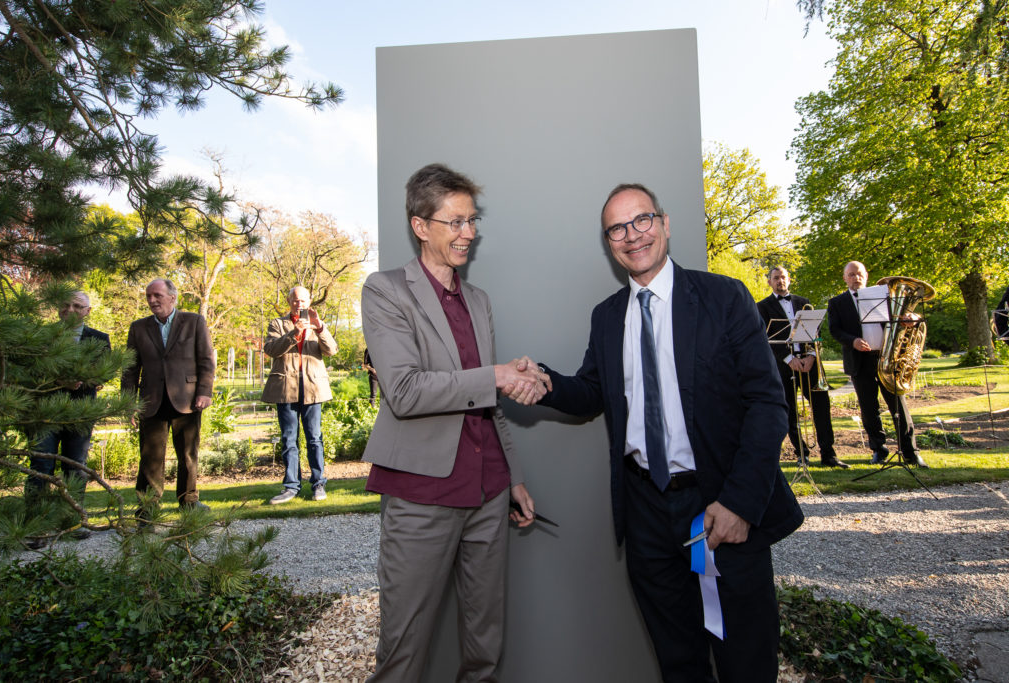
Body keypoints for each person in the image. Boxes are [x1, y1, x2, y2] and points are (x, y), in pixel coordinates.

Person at [531, 183, 803, 683]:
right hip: (646, 511)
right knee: (678, 660)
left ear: (665, 223)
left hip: (721, 501)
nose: (632, 235)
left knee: (746, 656)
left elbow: (767, 404)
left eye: (642, 220)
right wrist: (543, 383)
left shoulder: (723, 297)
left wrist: (741, 503)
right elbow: (593, 391)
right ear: (608, 241)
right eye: (617, 227)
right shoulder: (607, 316)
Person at [361, 163, 544, 682]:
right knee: (402, 652)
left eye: (473, 221)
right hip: (421, 493)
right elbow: (404, 391)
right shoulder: (385, 290)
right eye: (456, 222)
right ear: (421, 225)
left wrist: (513, 477)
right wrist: (499, 374)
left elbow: (484, 400)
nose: (469, 233)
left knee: (485, 647)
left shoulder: (479, 300)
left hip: (488, 493)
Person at [122, 278, 216, 513]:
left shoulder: (194, 322)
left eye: (157, 296)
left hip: (187, 399)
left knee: (188, 455)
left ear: (172, 298)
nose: (152, 300)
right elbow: (130, 369)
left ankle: (189, 502)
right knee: (150, 458)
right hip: (151, 401)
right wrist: (128, 403)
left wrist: (205, 392)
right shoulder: (138, 328)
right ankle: (148, 507)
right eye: (148, 296)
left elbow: (206, 360)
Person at [25, 291, 111, 545]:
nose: (70, 309)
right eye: (65, 304)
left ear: (87, 311)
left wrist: (85, 381)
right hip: (45, 413)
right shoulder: (43, 336)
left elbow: (104, 374)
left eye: (77, 305)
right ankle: (36, 527)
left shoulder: (99, 339)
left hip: (81, 413)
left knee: (75, 466)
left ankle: (73, 521)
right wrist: (58, 381)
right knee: (40, 466)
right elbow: (31, 371)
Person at [826, 261, 926, 467]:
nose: (856, 278)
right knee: (869, 409)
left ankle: (910, 452)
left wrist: (913, 318)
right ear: (845, 278)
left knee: (899, 406)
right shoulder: (837, 302)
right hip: (859, 361)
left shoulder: (885, 296)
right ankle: (878, 450)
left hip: (887, 357)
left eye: (859, 274)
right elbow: (835, 330)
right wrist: (852, 341)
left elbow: (910, 316)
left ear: (866, 275)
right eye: (851, 275)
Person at [756, 267, 847, 468]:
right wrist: (789, 359)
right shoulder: (761, 307)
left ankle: (828, 454)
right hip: (783, 364)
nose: (780, 281)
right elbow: (763, 338)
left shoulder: (804, 302)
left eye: (783, 278)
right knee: (789, 410)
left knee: (822, 407)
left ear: (789, 280)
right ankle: (802, 453)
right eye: (776, 278)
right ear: (769, 282)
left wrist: (811, 356)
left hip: (809, 362)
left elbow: (816, 332)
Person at [262, 286, 338, 504]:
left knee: (315, 438)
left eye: (303, 300)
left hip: (313, 388)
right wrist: (294, 334)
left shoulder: (317, 324)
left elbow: (331, 350)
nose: (299, 304)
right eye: (295, 300)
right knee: (288, 439)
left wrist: (320, 327)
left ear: (309, 301)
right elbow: (271, 349)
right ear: (289, 301)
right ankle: (291, 486)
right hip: (286, 388)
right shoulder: (278, 324)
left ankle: (318, 483)